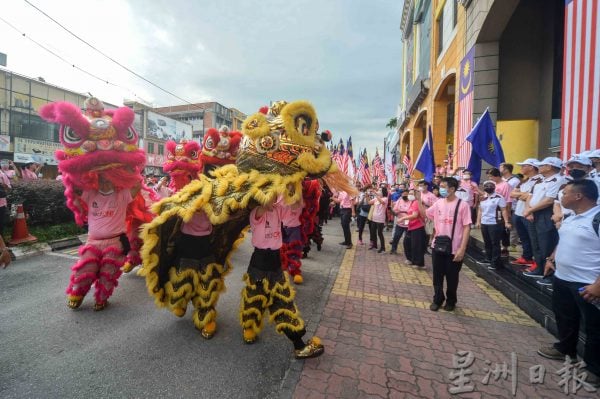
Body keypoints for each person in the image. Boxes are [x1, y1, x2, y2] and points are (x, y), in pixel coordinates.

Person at [240, 197, 325, 359]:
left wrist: (294, 193)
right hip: (259, 261)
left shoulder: (277, 209)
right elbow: (261, 209)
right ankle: (249, 328)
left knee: (282, 301)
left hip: (275, 261)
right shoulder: (256, 212)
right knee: (254, 299)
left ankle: (299, 344)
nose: (275, 195)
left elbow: (292, 218)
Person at [536, 180, 600, 387]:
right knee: (565, 317)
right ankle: (566, 349)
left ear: (579, 196)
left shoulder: (597, 218)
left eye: (565, 193)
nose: (561, 197)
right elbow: (564, 240)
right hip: (562, 277)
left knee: (594, 327)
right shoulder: (572, 216)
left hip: (588, 283)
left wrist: (598, 285)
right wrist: (552, 259)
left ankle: (593, 368)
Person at [66, 175, 140, 310]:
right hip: (92, 242)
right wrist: (73, 170)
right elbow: (74, 188)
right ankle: (77, 294)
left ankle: (102, 298)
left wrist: (127, 166)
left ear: (114, 181)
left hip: (115, 242)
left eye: (108, 181)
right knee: (84, 269)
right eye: (102, 181)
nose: (105, 184)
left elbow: (137, 185)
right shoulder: (90, 193)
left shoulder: (122, 194)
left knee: (108, 272)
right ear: (97, 181)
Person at [424, 177, 472, 312]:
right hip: (437, 245)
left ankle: (451, 300)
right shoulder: (439, 203)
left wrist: (462, 249)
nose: (441, 189)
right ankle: (438, 299)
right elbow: (426, 214)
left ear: (452, 189)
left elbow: (467, 227)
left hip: (454, 248)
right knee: (437, 275)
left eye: (444, 186)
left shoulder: (463, 205)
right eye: (440, 186)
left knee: (452, 277)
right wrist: (417, 199)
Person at [523, 157, 565, 279]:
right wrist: (528, 210)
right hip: (533, 213)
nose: (539, 168)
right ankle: (539, 267)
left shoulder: (558, 180)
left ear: (550, 167)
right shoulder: (540, 180)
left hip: (545, 213)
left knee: (546, 242)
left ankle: (548, 272)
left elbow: (549, 200)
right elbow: (529, 196)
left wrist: (530, 210)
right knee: (535, 242)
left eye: (542, 165)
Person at [510, 159, 542, 271]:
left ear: (532, 167)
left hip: (530, 213)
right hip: (518, 212)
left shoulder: (539, 180)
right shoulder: (523, 181)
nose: (522, 168)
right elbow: (512, 194)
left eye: (524, 166)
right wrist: (523, 195)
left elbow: (530, 196)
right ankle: (526, 256)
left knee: (534, 238)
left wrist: (523, 195)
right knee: (523, 237)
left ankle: (537, 261)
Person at [476, 181, 511, 270]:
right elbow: (480, 210)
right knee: (487, 242)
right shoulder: (483, 198)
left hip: (495, 223)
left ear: (494, 187)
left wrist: (506, 222)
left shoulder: (499, 197)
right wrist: (478, 221)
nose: (488, 187)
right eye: (486, 186)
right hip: (484, 223)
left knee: (495, 243)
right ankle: (488, 259)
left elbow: (504, 210)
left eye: (490, 185)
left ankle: (495, 262)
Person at [486, 168, 512, 257]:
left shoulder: (505, 185)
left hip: (501, 209)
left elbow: (508, 200)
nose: (490, 178)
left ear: (497, 176)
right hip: (492, 210)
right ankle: (493, 247)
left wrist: (508, 213)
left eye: (491, 176)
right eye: (489, 177)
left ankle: (505, 248)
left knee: (503, 230)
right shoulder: (492, 184)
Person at [397, 188, 426, 267]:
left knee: (417, 245)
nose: (409, 195)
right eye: (409, 193)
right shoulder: (412, 202)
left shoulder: (416, 202)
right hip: (411, 226)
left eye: (411, 194)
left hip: (418, 227)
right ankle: (411, 259)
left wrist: (403, 218)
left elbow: (415, 215)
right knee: (408, 243)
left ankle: (419, 263)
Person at [368, 186, 388, 253]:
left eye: (380, 190)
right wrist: (366, 196)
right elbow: (369, 202)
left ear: (383, 192)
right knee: (373, 232)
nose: (378, 191)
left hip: (380, 219)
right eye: (378, 190)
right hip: (374, 218)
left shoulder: (385, 198)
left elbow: (382, 202)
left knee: (380, 233)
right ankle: (375, 245)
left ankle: (383, 248)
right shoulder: (376, 199)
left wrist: (376, 194)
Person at [0, 164, 11, 236]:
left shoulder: (2, 175)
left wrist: (4, 185)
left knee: (0, 224)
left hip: (1, 203)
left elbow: (9, 188)